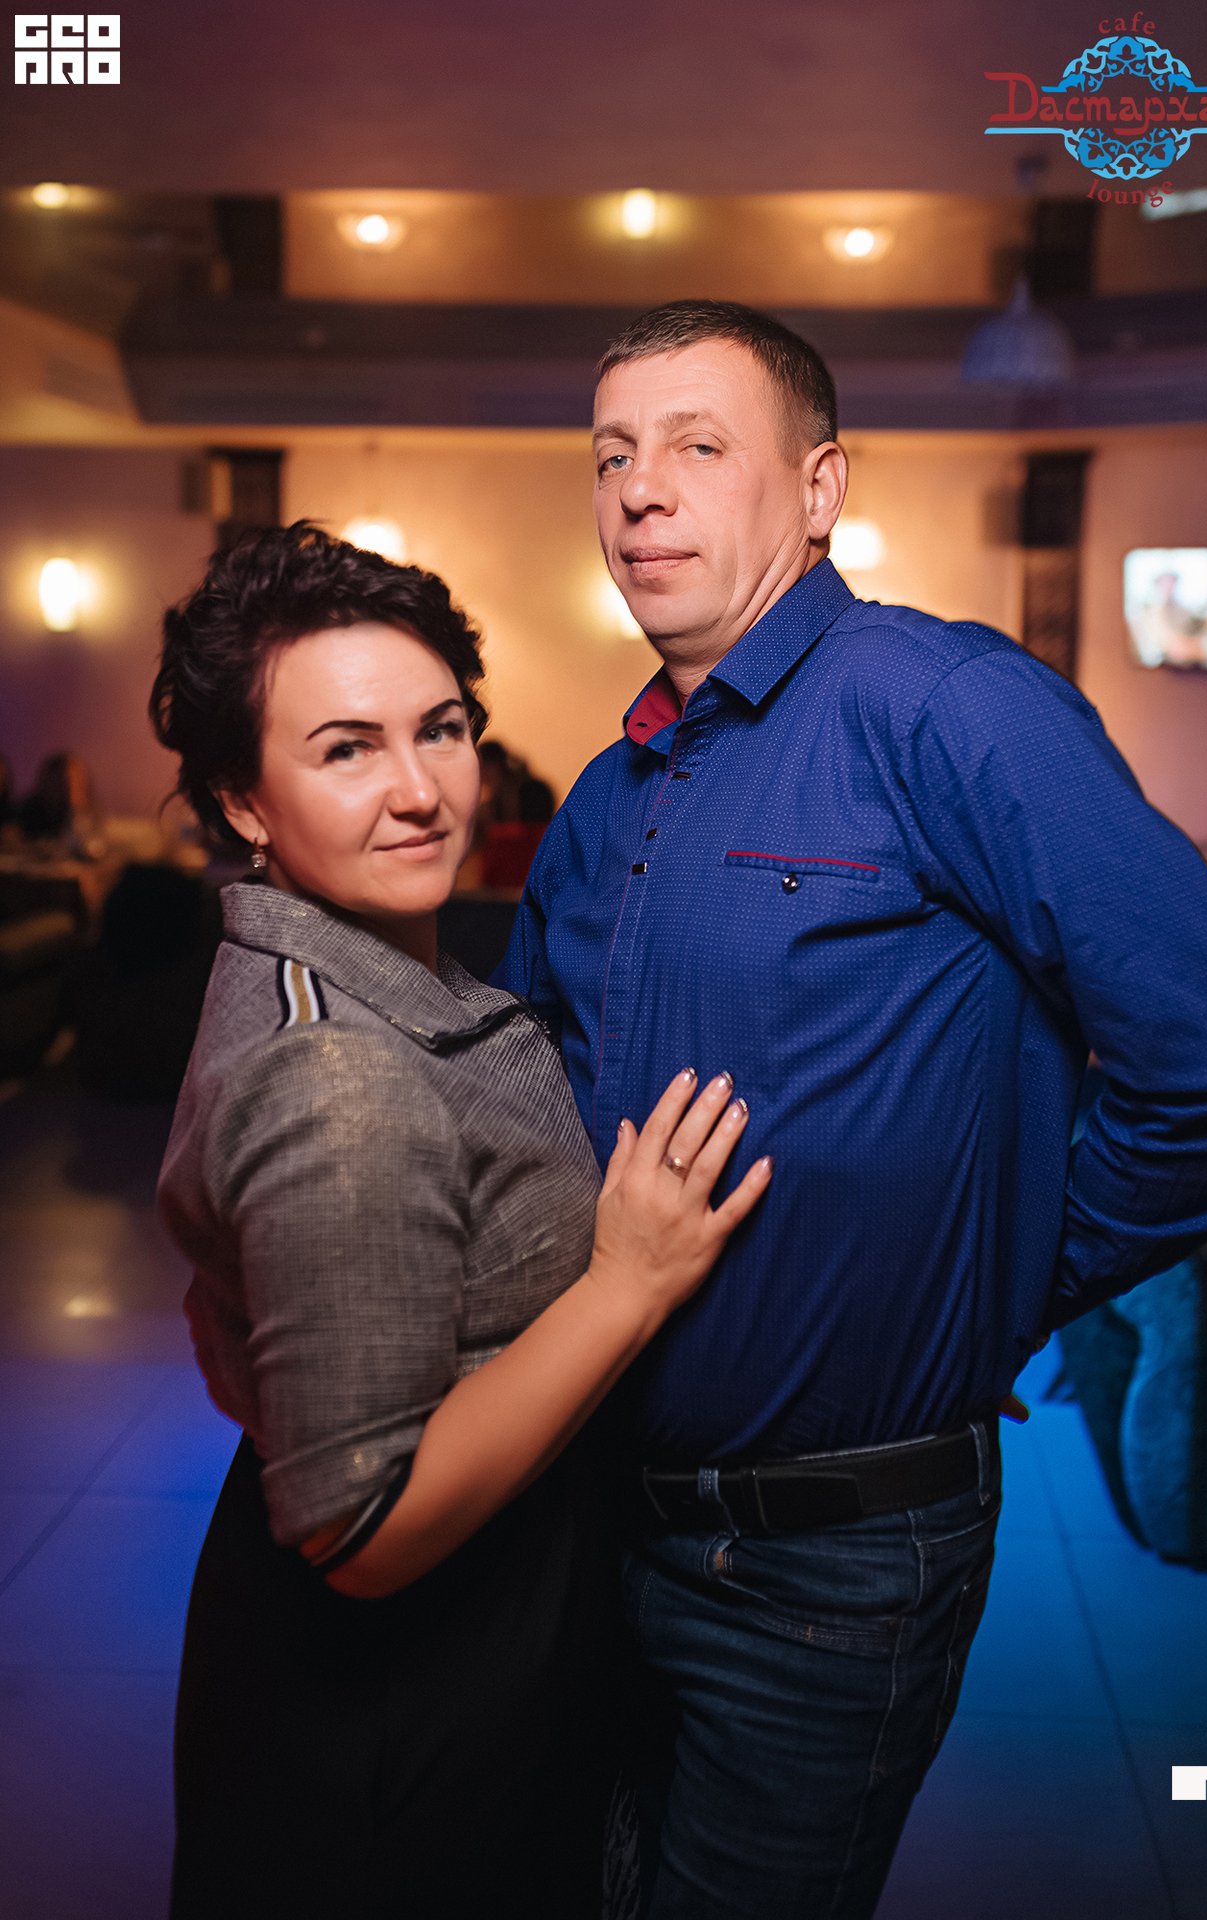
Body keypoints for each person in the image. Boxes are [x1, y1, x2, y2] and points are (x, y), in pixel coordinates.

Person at [493, 299, 1207, 1917]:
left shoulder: (943, 705)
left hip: (826, 1564)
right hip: (585, 1515)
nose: (639, 491)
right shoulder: (606, 794)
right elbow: (524, 1100)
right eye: (611, 456)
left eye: (696, 446)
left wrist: (1015, 1275)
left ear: (818, 487)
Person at [148, 522, 772, 1920]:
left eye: (440, 729)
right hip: (407, 1701)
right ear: (245, 801)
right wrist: (627, 1282)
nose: (421, 791)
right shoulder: (339, 1075)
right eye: (346, 750)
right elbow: (362, 1527)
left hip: (465, 1645)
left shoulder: (338, 970)